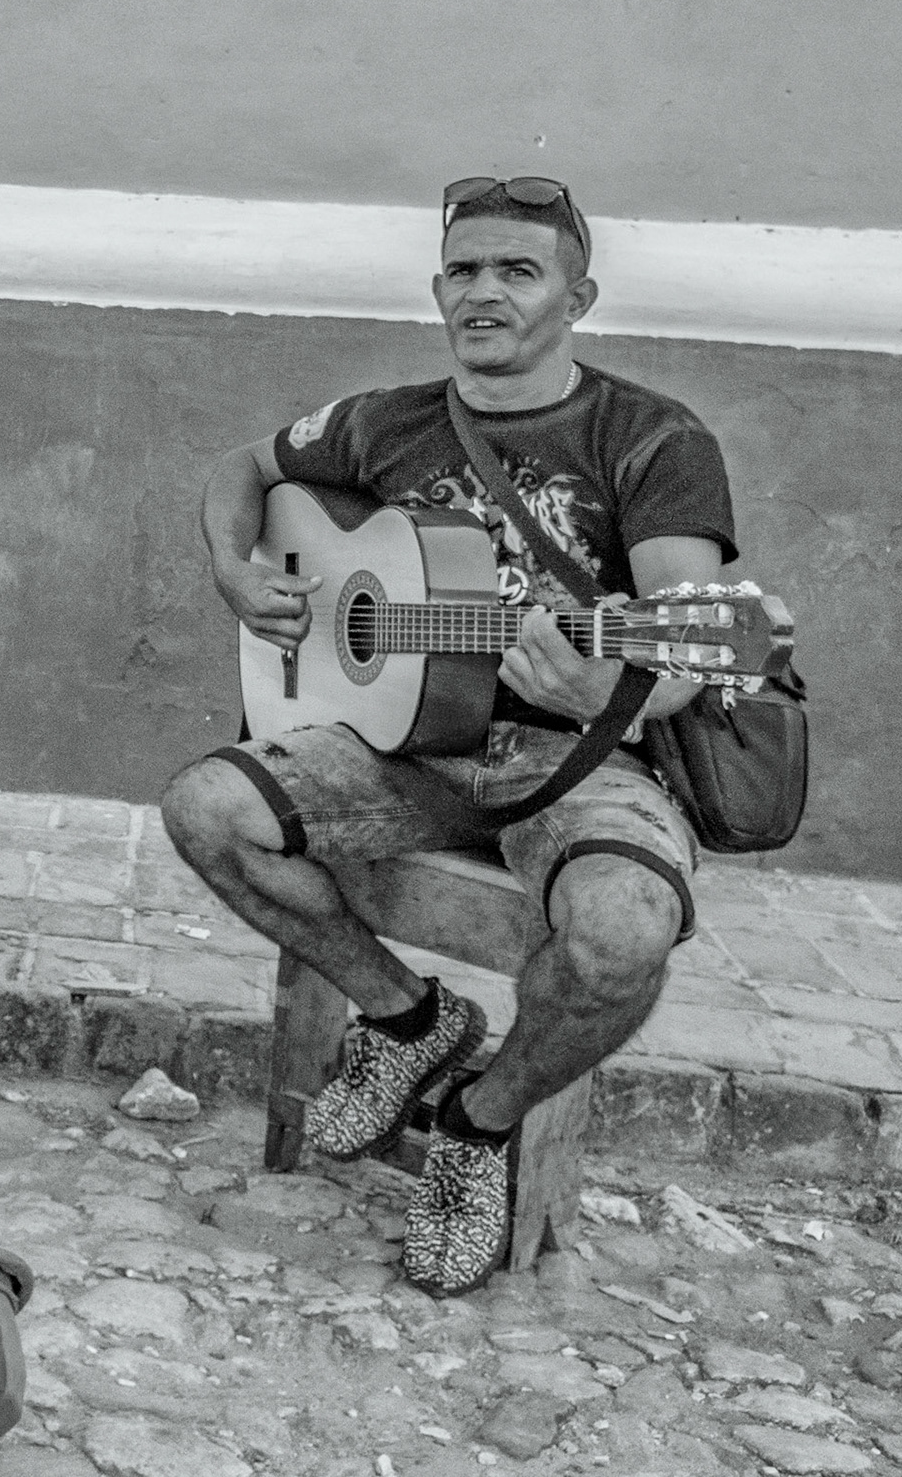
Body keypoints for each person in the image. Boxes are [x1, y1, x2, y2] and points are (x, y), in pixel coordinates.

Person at [160, 175, 737, 1296]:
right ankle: (408, 1017)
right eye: (465, 270)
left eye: (518, 271)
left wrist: (600, 693)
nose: (486, 292)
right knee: (206, 811)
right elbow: (243, 468)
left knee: (624, 931)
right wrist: (236, 572)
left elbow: (684, 649)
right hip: (402, 750)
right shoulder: (387, 420)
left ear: (578, 295)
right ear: (438, 289)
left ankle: (481, 1123)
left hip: (579, 760)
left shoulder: (654, 439)